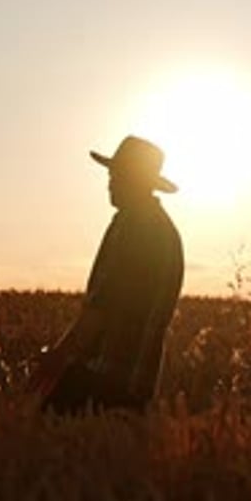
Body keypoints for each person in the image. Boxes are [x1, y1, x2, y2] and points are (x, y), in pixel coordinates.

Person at [28, 135, 184, 414]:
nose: (110, 182)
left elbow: (101, 306)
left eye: (118, 175)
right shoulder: (166, 232)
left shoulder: (131, 226)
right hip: (137, 386)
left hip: (101, 378)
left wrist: (57, 359)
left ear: (135, 179)